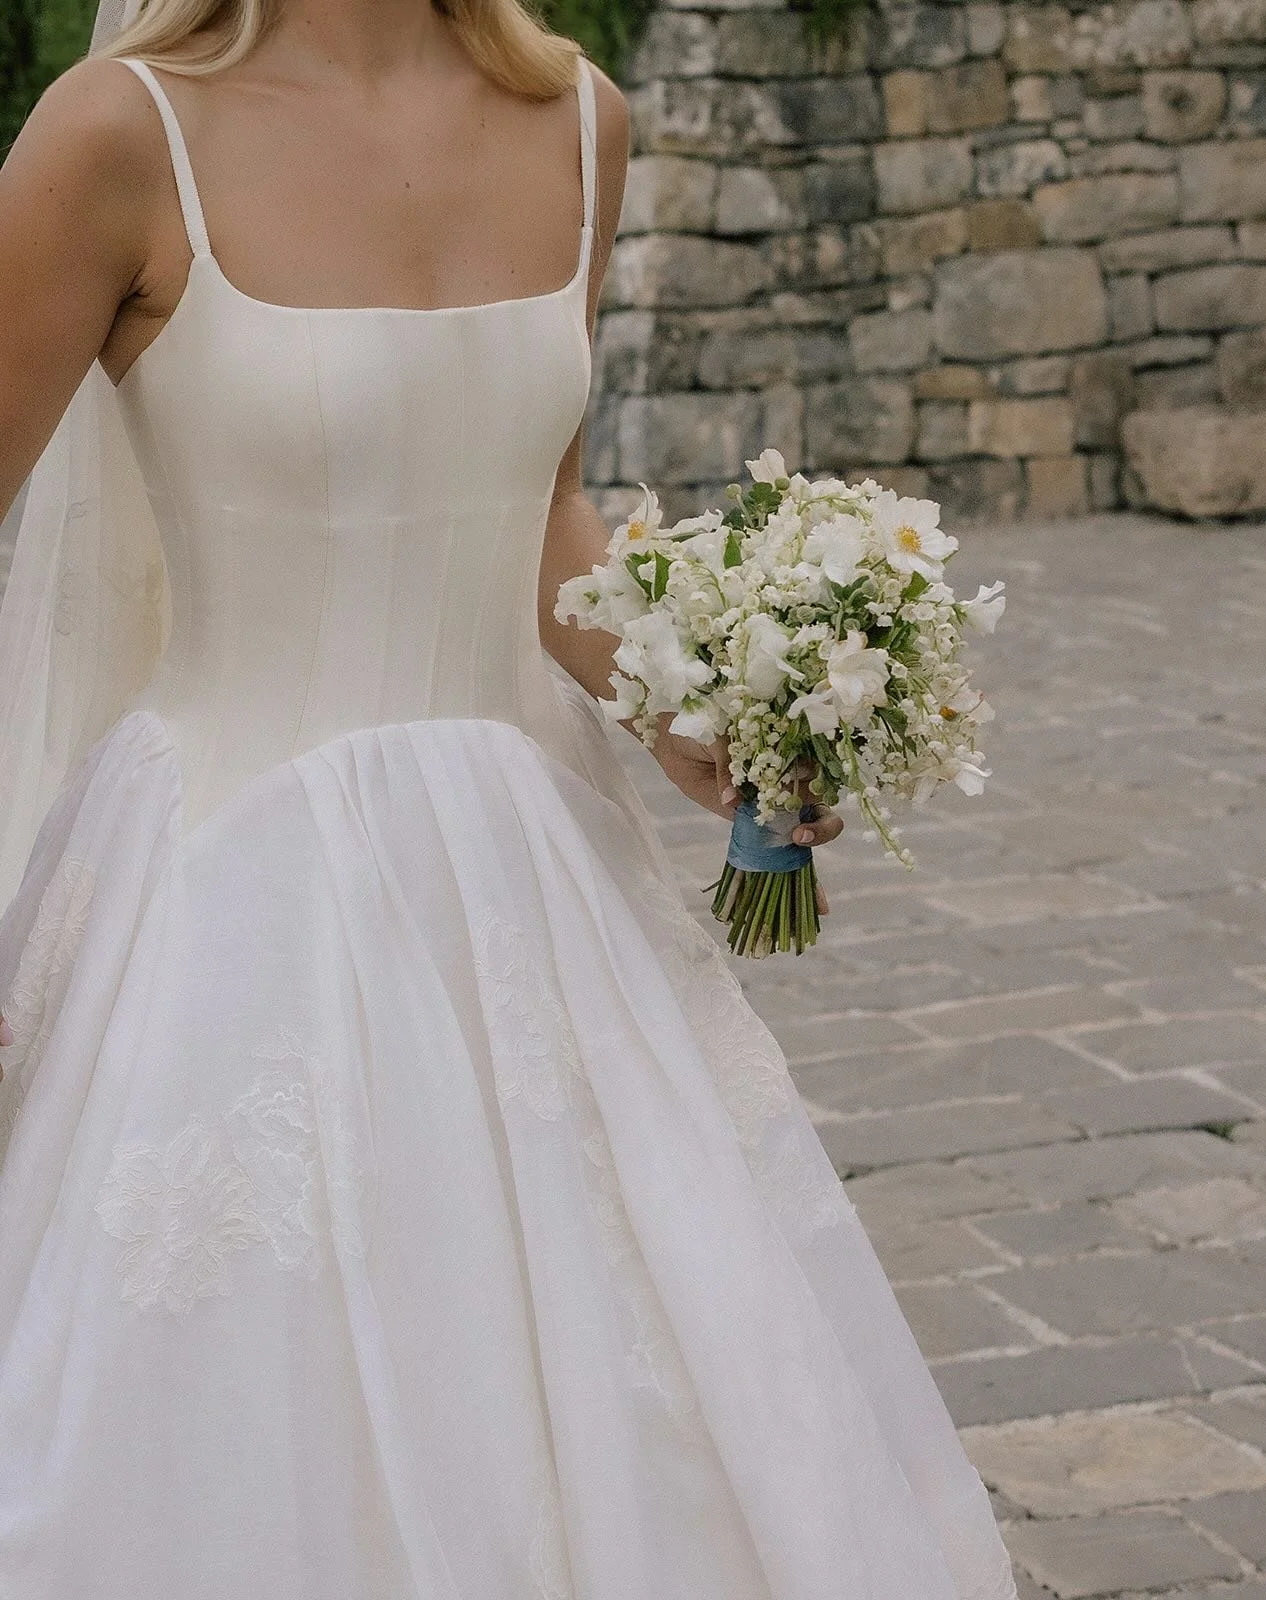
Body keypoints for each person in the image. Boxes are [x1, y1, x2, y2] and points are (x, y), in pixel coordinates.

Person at [0, 0, 1017, 1594]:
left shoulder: (579, 121)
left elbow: (528, 502)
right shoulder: (121, 133)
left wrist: (691, 701)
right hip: (228, 913)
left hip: (532, 891)